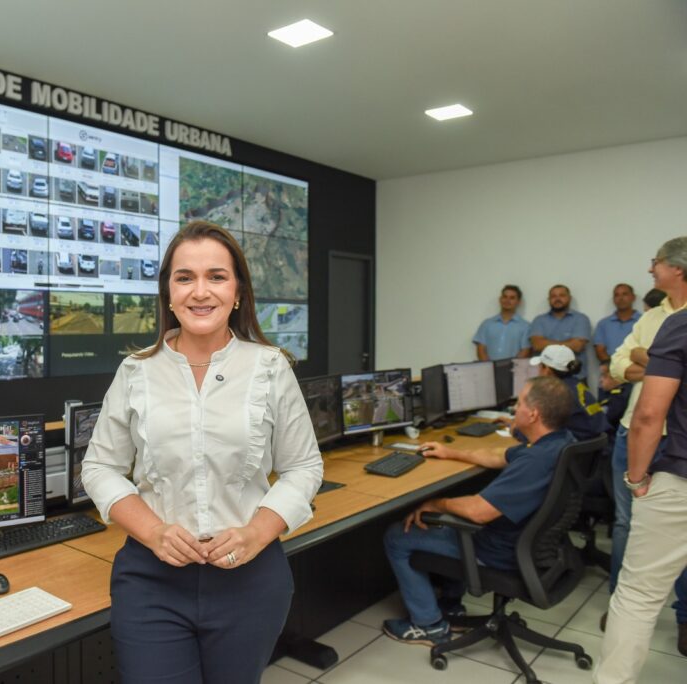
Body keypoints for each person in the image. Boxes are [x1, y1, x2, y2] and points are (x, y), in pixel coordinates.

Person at [80, 220, 323, 683]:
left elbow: (303, 467)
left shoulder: (269, 368)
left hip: (250, 580)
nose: (200, 292)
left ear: (237, 292)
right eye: (184, 277)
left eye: (216, 276)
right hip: (152, 581)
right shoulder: (136, 372)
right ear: (168, 293)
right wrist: (153, 532)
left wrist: (256, 532)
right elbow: (100, 467)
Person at [381, 376, 573, 645]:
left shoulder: (535, 461)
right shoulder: (559, 442)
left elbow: (478, 512)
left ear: (534, 414)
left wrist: (435, 503)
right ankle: (451, 606)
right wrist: (451, 452)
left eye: (518, 404)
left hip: (498, 551)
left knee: (397, 534)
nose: (514, 409)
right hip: (534, 546)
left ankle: (428, 624)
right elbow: (498, 456)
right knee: (452, 519)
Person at [595, 309, 687, 682]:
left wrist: (636, 481)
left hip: (681, 481)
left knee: (638, 596)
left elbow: (648, 415)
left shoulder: (680, 324)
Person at [603, 237, 687, 643]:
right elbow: (617, 363)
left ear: (678, 269)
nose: (650, 269)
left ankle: (685, 616)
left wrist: (645, 358)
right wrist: (654, 364)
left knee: (678, 533)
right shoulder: (653, 315)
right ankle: (621, 604)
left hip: (673, 440)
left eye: (656, 263)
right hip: (630, 434)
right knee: (625, 523)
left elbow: (641, 365)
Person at [531, 345, 607, 441]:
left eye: (540, 366)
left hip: (577, 448)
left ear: (547, 370)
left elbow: (539, 430)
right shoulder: (575, 384)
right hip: (596, 447)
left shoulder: (556, 393)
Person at [529, 284, 592, 378]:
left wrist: (545, 343)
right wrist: (569, 343)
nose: (557, 299)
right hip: (545, 378)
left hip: (575, 377)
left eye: (562, 295)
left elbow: (577, 346)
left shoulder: (581, 319)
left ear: (569, 298)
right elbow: (537, 345)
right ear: (549, 299)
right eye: (553, 296)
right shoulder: (539, 320)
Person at [472, 284, 531, 361]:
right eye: (505, 297)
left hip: (513, 370)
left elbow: (525, 351)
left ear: (518, 301)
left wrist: (511, 369)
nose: (507, 300)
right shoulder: (487, 324)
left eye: (512, 298)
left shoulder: (526, 326)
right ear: (500, 299)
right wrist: (488, 368)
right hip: (488, 370)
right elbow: (481, 349)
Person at [593, 284, 640, 363]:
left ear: (633, 297)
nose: (621, 298)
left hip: (639, 370)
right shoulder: (603, 324)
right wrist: (615, 367)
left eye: (625, 294)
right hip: (610, 370)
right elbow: (600, 351)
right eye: (617, 295)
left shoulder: (643, 321)